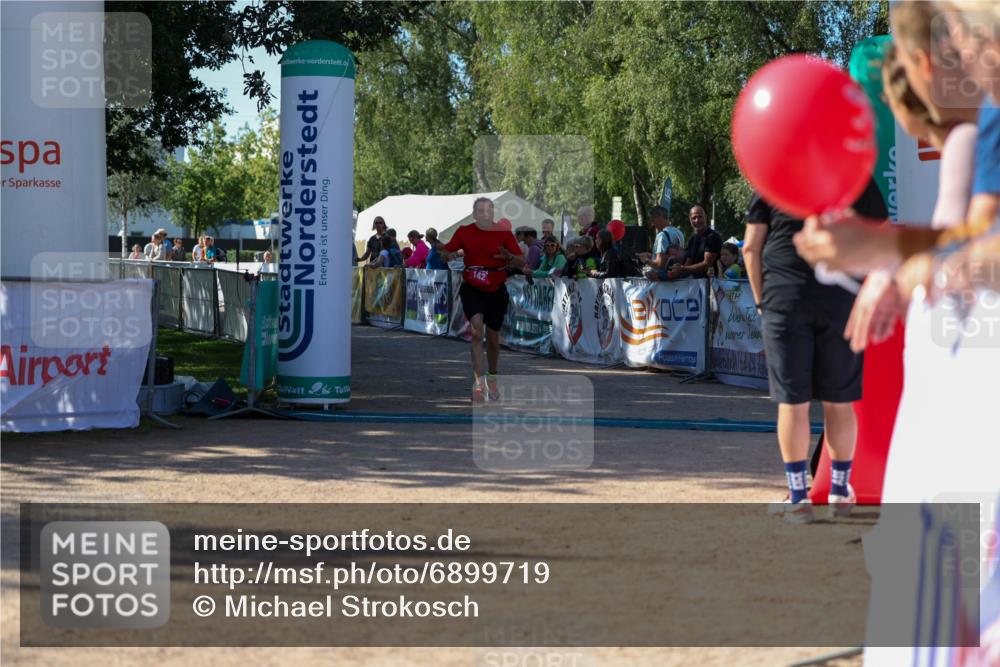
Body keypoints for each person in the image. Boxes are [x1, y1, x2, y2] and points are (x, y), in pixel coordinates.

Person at [743, 179, 887, 523]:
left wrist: (763, 303)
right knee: (839, 402)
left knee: (793, 403)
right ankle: (839, 490)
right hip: (841, 298)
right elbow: (881, 240)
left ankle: (798, 497)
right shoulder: (856, 179)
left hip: (784, 299)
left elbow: (751, 248)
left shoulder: (772, 178)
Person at [439, 197, 525, 402]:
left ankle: (492, 377)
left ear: (493, 213)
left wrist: (509, 256)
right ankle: (479, 385)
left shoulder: (503, 233)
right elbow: (445, 251)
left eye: (488, 210)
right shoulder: (464, 231)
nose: (484, 214)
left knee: (494, 339)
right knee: (477, 332)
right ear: (474, 213)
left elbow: (522, 260)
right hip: (472, 287)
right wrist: (447, 255)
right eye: (480, 210)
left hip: (496, 288)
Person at [668, 206, 722, 279]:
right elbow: (689, 262)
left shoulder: (712, 237)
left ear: (705, 217)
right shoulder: (692, 238)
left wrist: (682, 268)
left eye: (700, 217)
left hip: (710, 284)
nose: (697, 220)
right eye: (694, 218)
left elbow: (707, 264)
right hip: (693, 283)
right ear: (690, 220)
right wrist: (677, 270)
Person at [638, 205, 684, 280]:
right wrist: (651, 255)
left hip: (662, 282)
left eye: (653, 219)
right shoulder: (679, 232)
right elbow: (669, 255)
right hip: (676, 278)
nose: (652, 222)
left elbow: (659, 264)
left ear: (659, 217)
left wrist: (645, 260)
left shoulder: (662, 235)